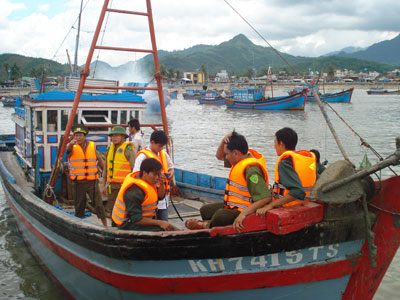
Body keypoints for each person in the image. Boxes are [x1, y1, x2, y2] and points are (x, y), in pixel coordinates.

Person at [185, 131, 271, 232]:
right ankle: (208, 225)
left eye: (226, 154)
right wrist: (223, 141)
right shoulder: (239, 158)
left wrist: (243, 214)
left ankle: (206, 225)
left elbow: (265, 197)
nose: (225, 157)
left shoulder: (251, 169)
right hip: (233, 206)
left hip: (247, 210)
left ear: (235, 153)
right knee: (205, 210)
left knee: (221, 216)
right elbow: (219, 156)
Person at [256, 127, 317, 217]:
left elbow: (297, 192)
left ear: (281, 144)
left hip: (287, 209)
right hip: (303, 204)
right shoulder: (304, 159)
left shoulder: (284, 163)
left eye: (275, 142)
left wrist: (271, 205)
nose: (274, 145)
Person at [112, 158, 175, 231]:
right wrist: (160, 222)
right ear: (145, 173)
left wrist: (161, 184)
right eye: (155, 174)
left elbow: (160, 197)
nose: (157, 177)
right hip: (126, 224)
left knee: (166, 227)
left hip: (141, 219)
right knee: (160, 230)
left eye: (158, 174)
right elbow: (136, 219)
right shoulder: (134, 191)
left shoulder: (149, 182)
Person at [67, 124, 107, 227]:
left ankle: (105, 226)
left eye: (81, 135)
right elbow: (68, 150)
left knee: (98, 205)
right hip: (78, 182)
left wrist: (106, 176)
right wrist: (71, 144)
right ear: (74, 137)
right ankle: (77, 226)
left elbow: (100, 161)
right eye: (76, 135)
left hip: (92, 182)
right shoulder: (71, 147)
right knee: (79, 206)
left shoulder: (92, 147)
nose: (78, 137)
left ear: (85, 137)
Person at [133, 130, 174, 221]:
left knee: (163, 220)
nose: (161, 148)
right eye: (159, 146)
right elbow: (136, 176)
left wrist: (170, 173)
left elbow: (171, 167)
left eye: (162, 146)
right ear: (152, 142)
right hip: (150, 197)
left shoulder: (163, 154)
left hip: (163, 197)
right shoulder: (142, 156)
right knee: (152, 221)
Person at [101, 126, 136, 215]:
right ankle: (114, 225)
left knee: (125, 209)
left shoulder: (128, 150)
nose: (114, 138)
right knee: (112, 208)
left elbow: (134, 169)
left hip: (125, 187)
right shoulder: (110, 149)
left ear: (123, 136)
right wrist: (103, 185)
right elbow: (106, 169)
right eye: (112, 136)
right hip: (112, 187)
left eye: (117, 135)